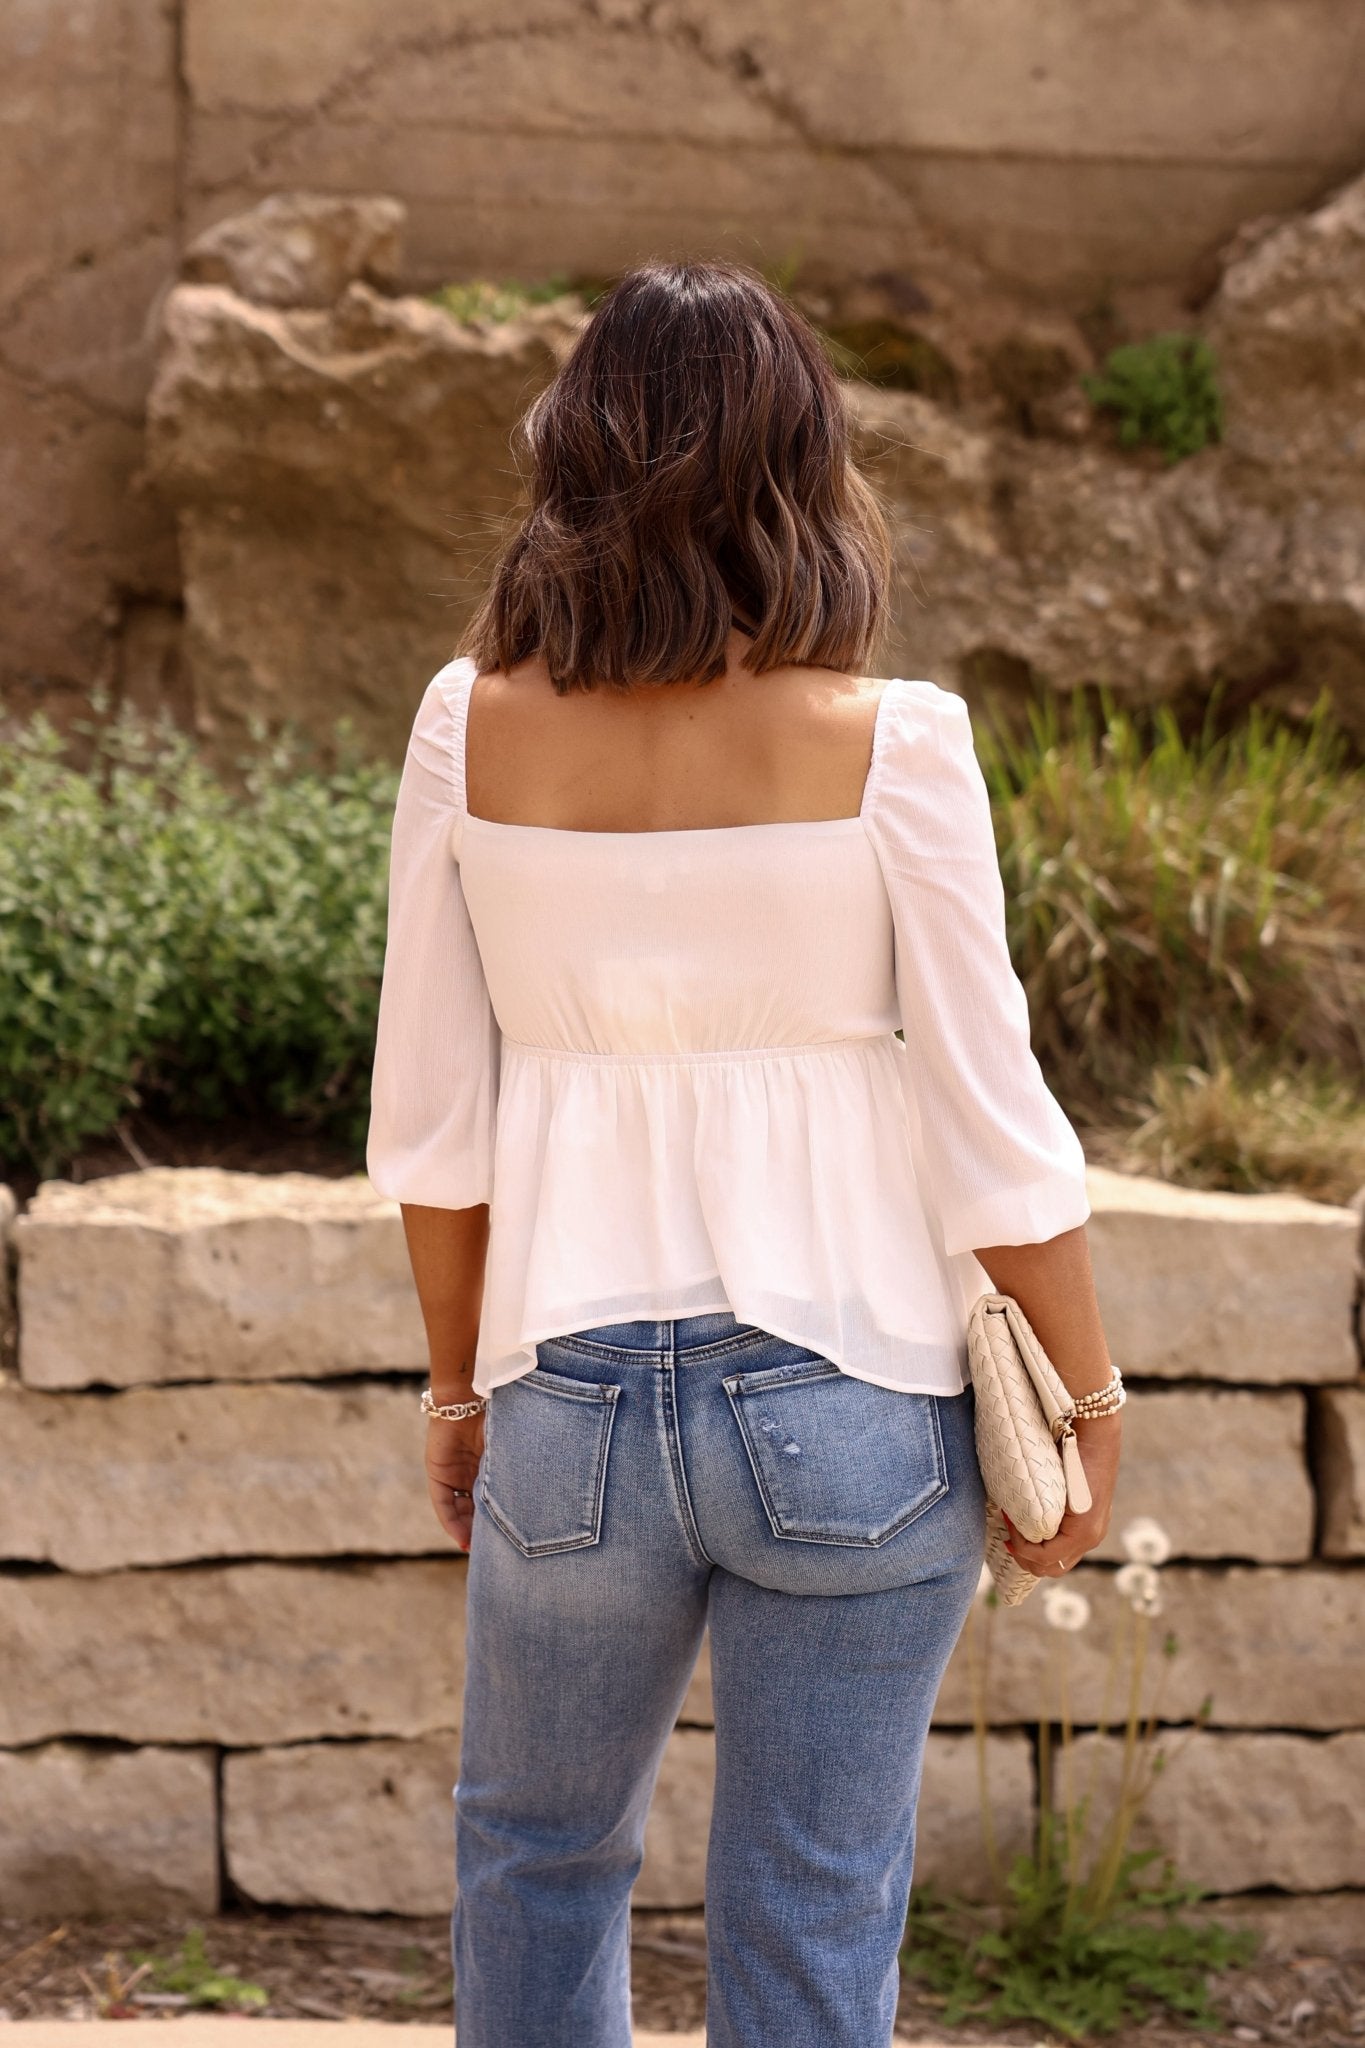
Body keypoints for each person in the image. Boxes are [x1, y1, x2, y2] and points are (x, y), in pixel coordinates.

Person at [365, 258, 1122, 2048]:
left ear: (569, 455)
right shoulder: (896, 748)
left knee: (534, 1859)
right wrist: (1084, 1413)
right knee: (812, 1896)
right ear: (806, 466)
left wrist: (457, 1396)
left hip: (570, 1404)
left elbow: (434, 1123)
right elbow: (993, 1120)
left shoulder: (468, 724)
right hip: (854, 1398)